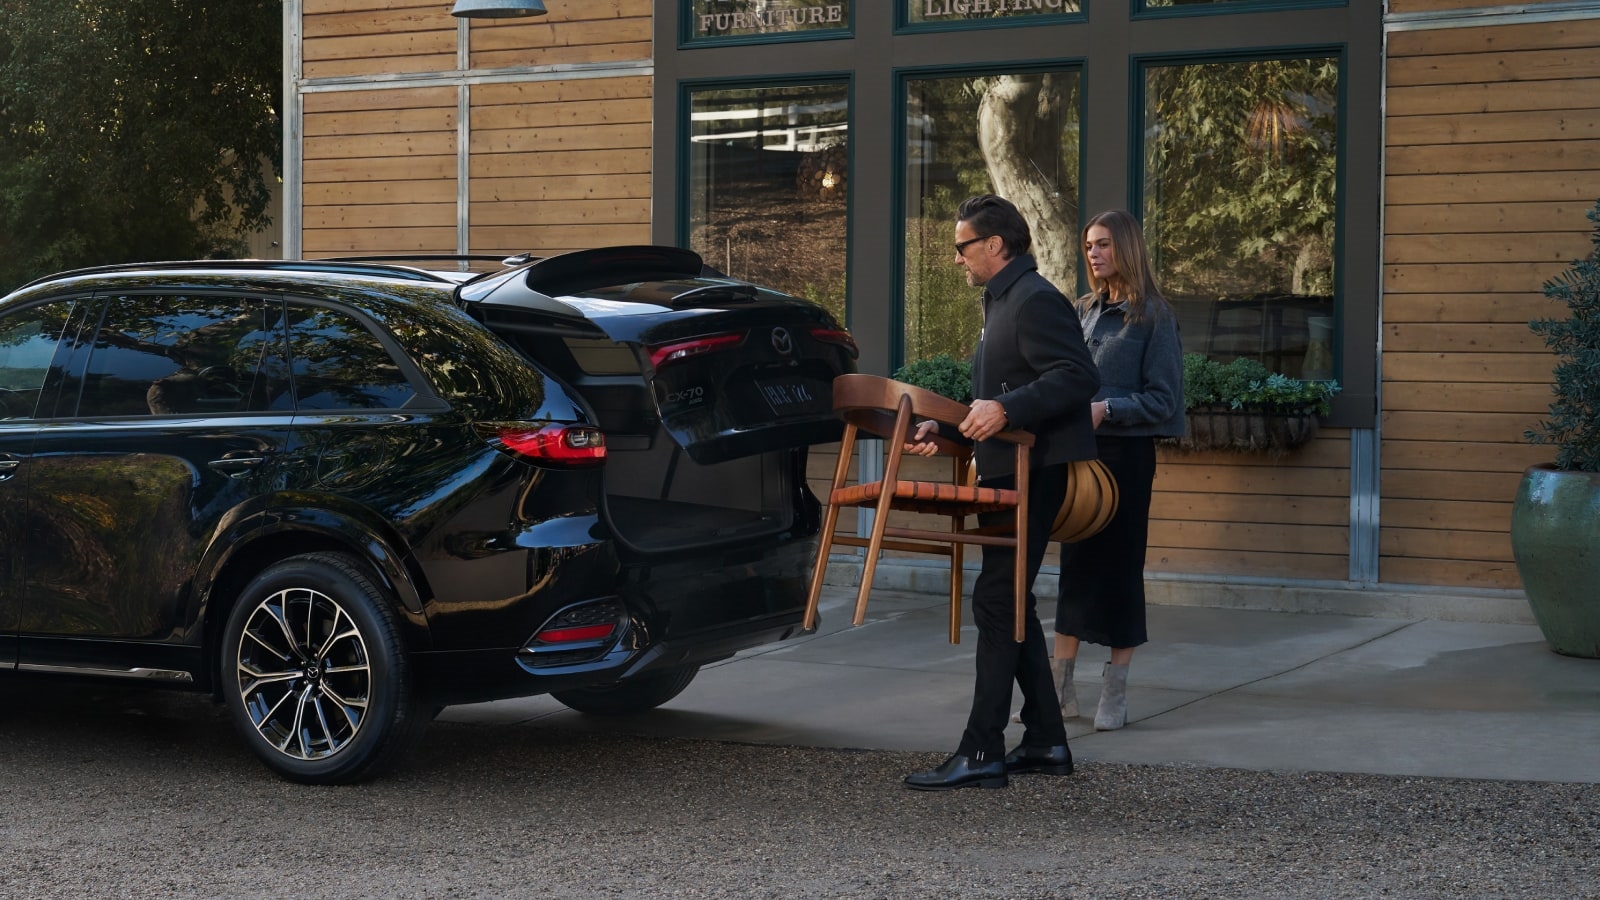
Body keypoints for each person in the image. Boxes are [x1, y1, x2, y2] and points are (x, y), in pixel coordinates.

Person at [901, 194, 1100, 791]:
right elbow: (996, 403)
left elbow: (1078, 377)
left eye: (962, 246)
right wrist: (953, 428)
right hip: (1007, 472)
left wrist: (1007, 407)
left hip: (1034, 473)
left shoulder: (1035, 299)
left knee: (997, 603)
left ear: (994, 245)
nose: (957, 258)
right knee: (1008, 603)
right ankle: (1043, 741)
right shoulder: (1003, 302)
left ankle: (983, 748)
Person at [1052, 209, 1184, 731]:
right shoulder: (1081, 311)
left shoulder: (1155, 316)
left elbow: (1166, 401)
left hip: (1126, 458)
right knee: (1074, 568)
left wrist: (1109, 409)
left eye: (1103, 244)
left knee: (1121, 570)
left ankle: (1115, 690)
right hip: (1077, 456)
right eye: (1088, 245)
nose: (1093, 253)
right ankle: (1060, 689)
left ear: (1126, 247)